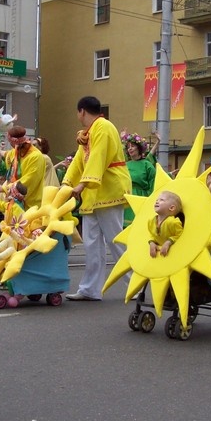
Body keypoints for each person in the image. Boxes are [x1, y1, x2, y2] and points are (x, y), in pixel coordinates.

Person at [63, 96, 131, 301]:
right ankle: (90, 289)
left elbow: (98, 156)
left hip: (108, 189)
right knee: (92, 244)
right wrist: (66, 183)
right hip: (94, 192)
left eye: (78, 113)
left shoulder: (103, 126)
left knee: (115, 240)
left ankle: (137, 284)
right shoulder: (89, 132)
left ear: (82, 111)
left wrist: (82, 183)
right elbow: (78, 160)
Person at [0, 126, 46, 211]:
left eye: (11, 143)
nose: (12, 146)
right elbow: (8, 154)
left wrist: (4, 188)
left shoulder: (36, 156)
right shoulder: (17, 151)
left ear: (15, 142)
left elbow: (28, 180)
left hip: (30, 205)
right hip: (13, 203)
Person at [122, 132, 156, 228]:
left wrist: (150, 201)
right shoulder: (126, 165)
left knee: (140, 226)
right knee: (127, 227)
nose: (130, 148)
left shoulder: (147, 165)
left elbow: (153, 184)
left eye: (132, 146)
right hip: (128, 198)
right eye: (128, 147)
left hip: (142, 198)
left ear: (139, 148)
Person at [148, 191, 184, 257]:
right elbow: (152, 234)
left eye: (162, 200)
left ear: (171, 208)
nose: (157, 201)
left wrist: (168, 242)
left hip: (173, 254)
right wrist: (152, 242)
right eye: (157, 200)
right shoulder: (151, 221)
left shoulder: (173, 222)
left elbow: (181, 235)